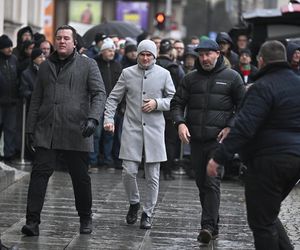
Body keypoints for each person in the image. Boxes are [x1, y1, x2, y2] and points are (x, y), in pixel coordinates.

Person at [207, 40, 300, 250]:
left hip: (268, 161)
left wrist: (219, 157)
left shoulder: (263, 86)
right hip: (295, 161)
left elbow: (244, 126)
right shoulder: (297, 82)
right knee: (268, 213)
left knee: (262, 222)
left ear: (261, 60)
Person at [21, 25, 106, 236]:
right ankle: (32, 222)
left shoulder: (88, 65)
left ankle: (85, 217)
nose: (61, 41)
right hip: (46, 131)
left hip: (76, 130)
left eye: (66, 38)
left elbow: (99, 94)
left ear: (74, 42)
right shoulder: (45, 67)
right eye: (58, 38)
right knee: (39, 175)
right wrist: (30, 129)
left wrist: (93, 119)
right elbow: (36, 100)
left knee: (80, 178)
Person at [170, 39, 245, 244]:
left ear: (218, 54)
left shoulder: (232, 77)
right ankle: (214, 224)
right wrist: (180, 123)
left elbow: (243, 105)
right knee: (202, 183)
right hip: (196, 140)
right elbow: (177, 103)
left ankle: (207, 226)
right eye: (200, 55)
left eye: (208, 54)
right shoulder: (190, 78)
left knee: (212, 181)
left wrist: (230, 125)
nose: (204, 59)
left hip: (218, 141)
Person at [104, 39, 175, 229]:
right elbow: (113, 99)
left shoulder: (164, 74)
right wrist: (108, 119)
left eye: (149, 55)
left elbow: (174, 100)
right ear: (137, 55)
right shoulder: (127, 73)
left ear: (154, 56)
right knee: (128, 171)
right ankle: (134, 202)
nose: (145, 58)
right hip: (132, 127)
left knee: (152, 175)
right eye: (142, 54)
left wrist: (157, 103)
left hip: (154, 129)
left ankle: (148, 213)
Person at [90, 38, 122, 168]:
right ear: (102, 51)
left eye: (113, 50)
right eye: (109, 50)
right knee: (96, 134)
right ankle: (93, 160)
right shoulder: (95, 64)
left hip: (113, 105)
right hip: (97, 104)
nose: (112, 53)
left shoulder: (117, 65)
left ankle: (107, 160)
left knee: (110, 134)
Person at [156, 38, 185, 180]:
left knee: (153, 140)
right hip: (171, 110)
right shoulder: (175, 68)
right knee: (170, 141)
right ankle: (167, 170)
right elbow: (183, 88)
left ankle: (150, 169)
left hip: (153, 108)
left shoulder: (153, 65)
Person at [0, 35, 19, 163]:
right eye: (7, 47)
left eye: (11, 46)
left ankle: (9, 154)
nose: (10, 49)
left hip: (12, 101)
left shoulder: (14, 60)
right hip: (0, 101)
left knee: (10, 129)